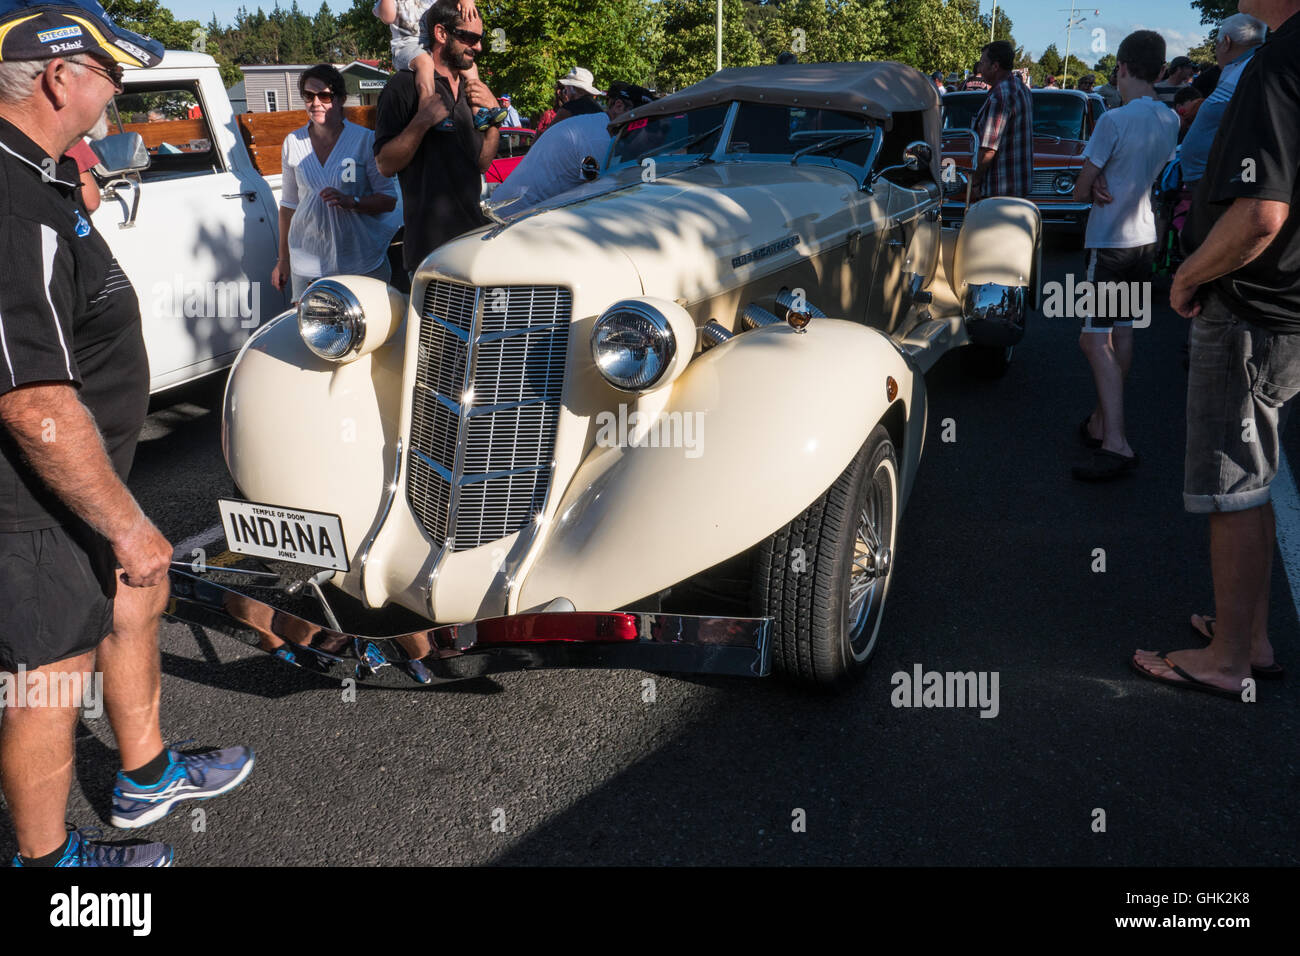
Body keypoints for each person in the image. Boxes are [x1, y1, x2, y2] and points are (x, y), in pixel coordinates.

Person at [0, 0, 253, 868]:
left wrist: (75, 180)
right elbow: (30, 397)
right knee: (48, 679)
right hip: (33, 494)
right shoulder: (8, 198)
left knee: (133, 598)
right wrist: (123, 521)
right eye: (108, 72)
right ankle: (48, 870)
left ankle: (145, 775)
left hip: (85, 469)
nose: (117, 90)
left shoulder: (36, 173)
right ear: (57, 76)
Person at [1134, 0, 1299, 699]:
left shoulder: (1280, 62)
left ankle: (1227, 659)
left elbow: (1262, 211)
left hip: (1248, 311)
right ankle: (1248, 636)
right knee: (1254, 481)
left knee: (1231, 485)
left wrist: (1190, 273)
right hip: (1281, 312)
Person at [1070, 30, 1179, 481]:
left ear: (1122, 67)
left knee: (1092, 340)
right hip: (1144, 238)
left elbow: (1080, 188)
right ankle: (1101, 421)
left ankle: (1116, 440)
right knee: (1122, 332)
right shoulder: (1169, 119)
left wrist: (1092, 183)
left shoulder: (1113, 121)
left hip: (1111, 242)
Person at [374, 0, 502, 276]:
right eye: (469, 37)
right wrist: (422, 121)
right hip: (428, 256)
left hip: (473, 246)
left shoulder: (473, 90)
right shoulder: (403, 87)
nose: (478, 47)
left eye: (480, 39)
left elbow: (481, 163)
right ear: (441, 34)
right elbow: (384, 164)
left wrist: (493, 119)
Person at [270, 65, 399, 302]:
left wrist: (352, 201)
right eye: (309, 96)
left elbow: (388, 199)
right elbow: (288, 206)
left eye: (324, 95)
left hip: (360, 259)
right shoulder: (293, 142)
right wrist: (283, 260)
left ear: (340, 99)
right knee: (313, 334)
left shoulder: (365, 141)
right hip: (308, 261)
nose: (315, 102)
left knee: (371, 332)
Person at [491, 82, 653, 216]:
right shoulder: (599, 138)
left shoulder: (593, 124)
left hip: (516, 211)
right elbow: (602, 201)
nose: (642, 127)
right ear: (618, 106)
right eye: (638, 116)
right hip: (513, 216)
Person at [1180, 12, 1266, 191]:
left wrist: (1245, 182)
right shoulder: (1246, 66)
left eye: (1217, 44)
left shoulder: (1248, 70)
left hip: (1220, 184)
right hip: (1217, 179)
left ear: (1226, 42)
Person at [374, 0, 477, 108]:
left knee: (470, 67)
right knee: (425, 63)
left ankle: (479, 111)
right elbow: (387, 17)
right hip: (408, 46)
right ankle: (428, 108)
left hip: (434, 43)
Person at [970, 40, 1033, 201]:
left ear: (995, 66)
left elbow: (989, 149)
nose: (980, 68)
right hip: (1017, 186)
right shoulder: (1021, 88)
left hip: (998, 189)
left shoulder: (1000, 96)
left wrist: (975, 182)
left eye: (983, 63)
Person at [543, 66, 604, 133]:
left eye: (567, 86)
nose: (565, 89)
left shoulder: (568, 109)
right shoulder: (599, 111)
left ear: (573, 88)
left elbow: (548, 133)